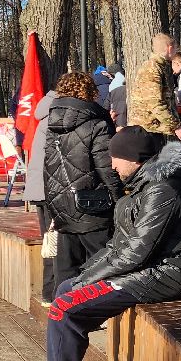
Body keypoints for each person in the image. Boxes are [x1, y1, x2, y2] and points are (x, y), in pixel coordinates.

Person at [11, 128, 181, 361]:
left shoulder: (164, 191)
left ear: (137, 159)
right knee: (64, 291)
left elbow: (133, 254)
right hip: (146, 269)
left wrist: (84, 282)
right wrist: (82, 277)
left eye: (117, 158)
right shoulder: (147, 184)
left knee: (65, 307)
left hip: (163, 275)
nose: (113, 165)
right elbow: (119, 247)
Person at [44, 72, 122, 289]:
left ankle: (64, 312)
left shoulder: (51, 124)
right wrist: (119, 199)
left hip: (61, 203)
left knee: (66, 266)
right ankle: (97, 312)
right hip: (93, 204)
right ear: (90, 92)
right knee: (100, 264)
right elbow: (107, 169)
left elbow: (48, 167)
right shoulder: (97, 123)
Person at [24, 89, 58, 300]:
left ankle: (49, 294)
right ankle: (53, 294)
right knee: (55, 244)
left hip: (41, 188)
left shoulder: (47, 112)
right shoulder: (60, 117)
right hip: (53, 190)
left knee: (49, 242)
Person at [131, 32, 181, 141]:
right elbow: (155, 103)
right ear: (170, 48)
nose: (176, 52)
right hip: (149, 130)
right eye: (176, 49)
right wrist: (175, 126)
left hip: (157, 128)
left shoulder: (162, 67)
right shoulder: (152, 68)